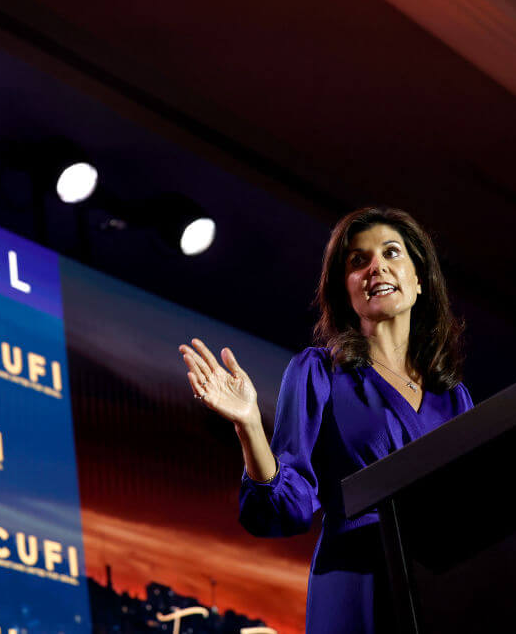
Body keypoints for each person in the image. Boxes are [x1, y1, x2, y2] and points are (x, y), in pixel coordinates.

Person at [178, 206, 473, 634]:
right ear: (346, 289)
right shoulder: (320, 372)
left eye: (392, 253)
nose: (376, 267)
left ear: (419, 278)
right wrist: (249, 425)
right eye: (358, 261)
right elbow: (286, 508)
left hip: (436, 588)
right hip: (357, 583)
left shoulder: (452, 397)